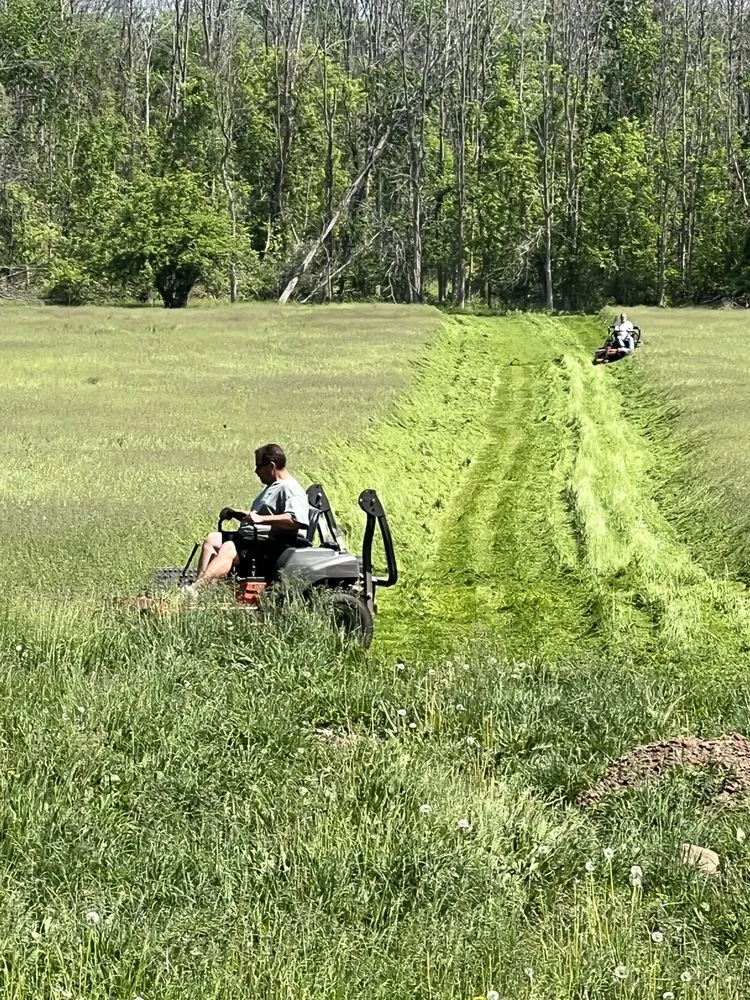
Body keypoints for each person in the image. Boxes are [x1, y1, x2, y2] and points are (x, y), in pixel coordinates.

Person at [186, 443, 309, 593]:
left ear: (272, 466)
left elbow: (296, 521)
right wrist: (235, 513)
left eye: (259, 466)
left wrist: (261, 519)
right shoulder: (273, 486)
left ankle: (196, 589)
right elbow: (258, 515)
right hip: (255, 540)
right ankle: (200, 587)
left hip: (272, 546)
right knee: (213, 539)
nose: (256, 471)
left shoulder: (290, 488)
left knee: (229, 547)